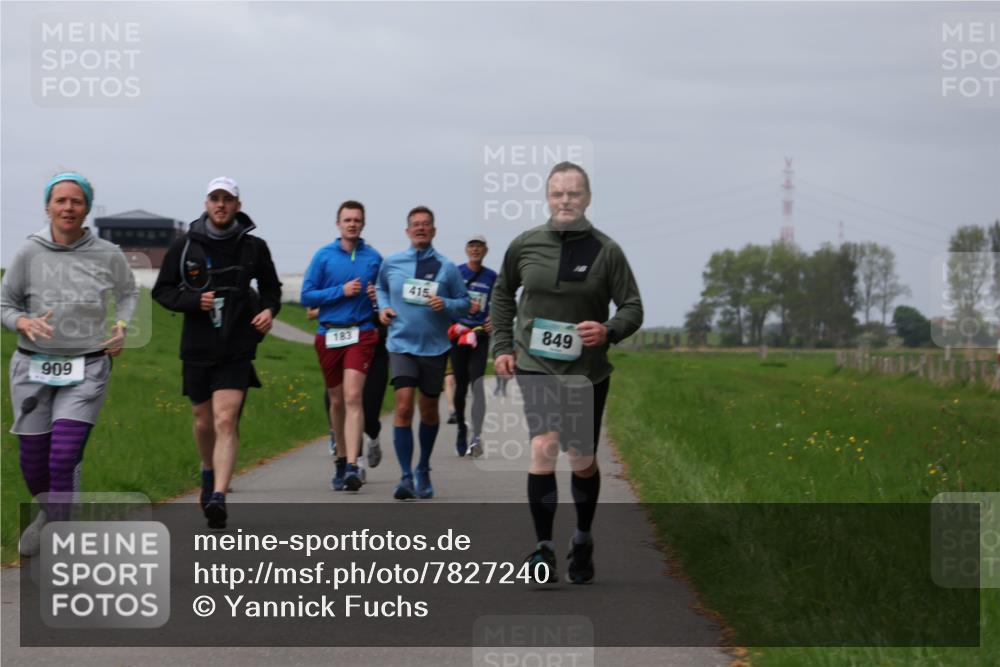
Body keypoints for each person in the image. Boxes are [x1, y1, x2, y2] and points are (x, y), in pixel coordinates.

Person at [491, 162, 643, 584]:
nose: (565, 200)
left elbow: (632, 306)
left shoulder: (606, 250)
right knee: (544, 446)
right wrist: (502, 346)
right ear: (547, 197)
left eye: (573, 193)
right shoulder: (525, 245)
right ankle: (543, 549)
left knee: (581, 459)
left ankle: (582, 536)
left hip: (586, 372)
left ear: (588, 198)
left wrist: (609, 329)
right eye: (558, 193)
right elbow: (502, 294)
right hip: (535, 364)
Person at [1, 171, 138, 556]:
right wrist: (23, 321)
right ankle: (50, 514)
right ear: (48, 207)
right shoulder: (29, 252)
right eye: (60, 200)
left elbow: (128, 293)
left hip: (87, 367)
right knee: (33, 462)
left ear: (87, 209)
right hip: (32, 368)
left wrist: (122, 326)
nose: (68, 207)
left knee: (63, 454)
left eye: (76, 201)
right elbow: (4, 304)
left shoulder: (107, 254)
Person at [152, 177, 282, 529]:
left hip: (237, 344)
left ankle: (220, 496)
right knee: (203, 421)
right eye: (215, 198)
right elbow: (162, 291)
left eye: (228, 199)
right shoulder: (185, 246)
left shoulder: (253, 247)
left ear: (238, 205)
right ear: (206, 204)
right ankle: (208, 471)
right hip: (196, 345)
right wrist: (195, 301)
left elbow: (272, 289)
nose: (221, 205)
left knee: (226, 418)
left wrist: (269, 311)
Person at [376, 206, 469, 500]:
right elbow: (379, 288)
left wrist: (447, 305)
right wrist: (383, 309)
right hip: (401, 344)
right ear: (407, 231)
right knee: (403, 407)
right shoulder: (392, 263)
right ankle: (404, 476)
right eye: (415, 225)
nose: (420, 229)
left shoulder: (447, 267)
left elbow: (464, 303)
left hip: (434, 347)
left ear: (434, 231)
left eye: (426, 225)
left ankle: (423, 468)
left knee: (428, 410)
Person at [301, 201, 382, 492]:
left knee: (352, 396)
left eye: (357, 220)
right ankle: (340, 459)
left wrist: (376, 296)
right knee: (336, 401)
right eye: (347, 220)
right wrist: (342, 291)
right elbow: (307, 295)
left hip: (361, 333)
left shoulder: (373, 258)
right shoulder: (323, 256)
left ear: (363, 224)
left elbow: (384, 295)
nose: (352, 224)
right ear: (338, 224)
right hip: (329, 334)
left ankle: (352, 465)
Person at [448, 234, 497, 457]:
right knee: (460, 386)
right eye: (472, 246)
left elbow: (501, 302)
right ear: (466, 249)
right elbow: (445, 300)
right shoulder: (456, 273)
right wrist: (453, 321)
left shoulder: (491, 277)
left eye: (479, 247)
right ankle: (461, 427)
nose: (475, 250)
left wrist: (494, 319)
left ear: (485, 251)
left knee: (478, 385)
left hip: (480, 336)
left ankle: (477, 436)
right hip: (459, 336)